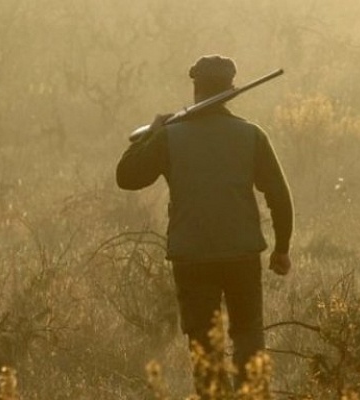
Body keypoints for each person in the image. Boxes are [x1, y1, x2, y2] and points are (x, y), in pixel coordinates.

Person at [115, 55, 293, 397]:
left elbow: (126, 176)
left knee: (204, 349)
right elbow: (279, 196)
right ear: (231, 90)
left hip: (192, 258)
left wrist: (153, 132)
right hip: (241, 255)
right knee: (249, 339)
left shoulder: (169, 138)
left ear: (196, 89)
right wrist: (282, 249)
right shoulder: (251, 135)